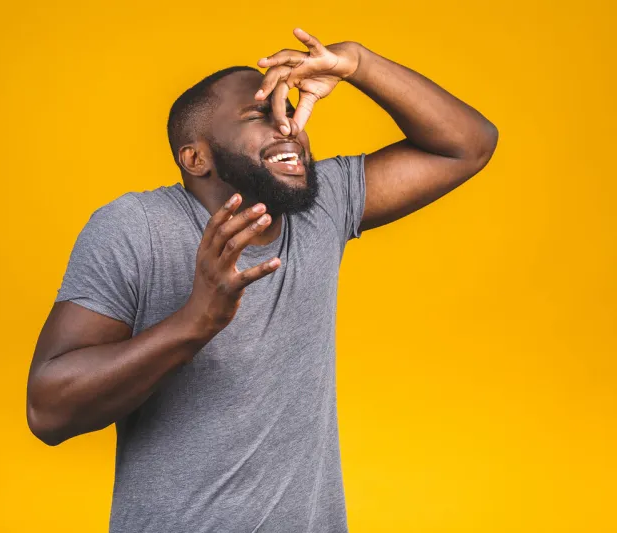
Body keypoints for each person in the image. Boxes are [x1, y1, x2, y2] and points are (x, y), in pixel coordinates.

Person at [26, 28, 497, 532]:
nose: (289, 127)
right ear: (196, 157)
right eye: (259, 116)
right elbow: (48, 409)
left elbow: (466, 146)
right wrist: (193, 323)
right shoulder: (136, 228)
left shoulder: (320, 207)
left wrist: (357, 63)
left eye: (289, 111)